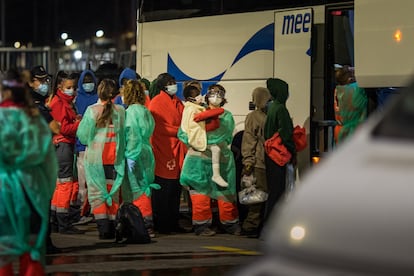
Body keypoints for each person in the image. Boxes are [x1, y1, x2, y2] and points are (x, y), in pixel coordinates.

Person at [0, 69, 58, 275]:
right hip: (32, 190)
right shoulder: (34, 119)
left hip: (4, 193)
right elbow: (50, 162)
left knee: (4, 253)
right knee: (32, 250)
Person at [179, 84, 240, 236]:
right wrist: (197, 142)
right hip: (199, 161)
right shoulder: (197, 112)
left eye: (219, 94)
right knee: (200, 193)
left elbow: (226, 135)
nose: (216, 97)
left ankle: (230, 223)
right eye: (213, 93)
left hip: (221, 160)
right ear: (207, 96)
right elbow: (184, 132)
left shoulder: (226, 116)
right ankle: (201, 225)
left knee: (225, 193)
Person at [76, 79, 126, 240]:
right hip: (115, 159)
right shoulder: (120, 111)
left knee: (97, 193)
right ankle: (113, 226)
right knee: (113, 192)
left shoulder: (92, 110)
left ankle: (103, 228)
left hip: (95, 160)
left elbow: (83, 136)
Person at [148, 72, 187, 234]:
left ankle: (173, 222)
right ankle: (162, 224)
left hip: (176, 149)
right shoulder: (156, 103)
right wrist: (181, 131)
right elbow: (158, 127)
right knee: (163, 189)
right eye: (170, 82)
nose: (173, 85)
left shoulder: (178, 102)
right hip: (163, 149)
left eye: (173, 81)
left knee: (175, 189)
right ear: (163, 85)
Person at [48, 72, 84, 235]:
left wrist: (74, 120)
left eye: (74, 87)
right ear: (60, 87)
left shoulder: (63, 102)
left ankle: (56, 219)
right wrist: (78, 124)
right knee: (65, 184)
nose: (72, 90)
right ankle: (63, 222)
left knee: (60, 184)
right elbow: (62, 128)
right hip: (63, 145)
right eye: (69, 87)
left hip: (62, 145)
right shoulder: (59, 103)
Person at [123, 79, 159, 238]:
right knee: (145, 187)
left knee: (137, 190)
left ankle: (143, 225)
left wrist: (131, 155)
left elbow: (132, 135)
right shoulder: (145, 111)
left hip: (135, 152)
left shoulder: (131, 112)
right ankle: (146, 224)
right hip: (147, 152)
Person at [180, 84, 228, 187]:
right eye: (197, 94)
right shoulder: (192, 109)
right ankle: (216, 175)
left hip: (211, 159)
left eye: (219, 94)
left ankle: (216, 175)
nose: (200, 96)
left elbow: (225, 135)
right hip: (196, 152)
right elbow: (193, 122)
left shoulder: (200, 108)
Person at [263, 78, 295, 223]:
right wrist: (292, 150)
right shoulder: (280, 108)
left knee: (273, 190)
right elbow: (286, 133)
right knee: (278, 191)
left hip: (270, 154)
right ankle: (270, 225)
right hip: (278, 155)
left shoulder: (271, 107)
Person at [240, 87, 271, 238]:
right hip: (262, 161)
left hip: (263, 161)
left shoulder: (258, 115)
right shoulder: (259, 116)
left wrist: (248, 160)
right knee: (257, 196)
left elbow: (249, 140)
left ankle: (252, 226)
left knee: (258, 196)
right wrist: (249, 161)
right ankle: (251, 226)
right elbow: (250, 140)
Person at [73, 69, 99, 225]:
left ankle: (94, 210)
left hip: (96, 146)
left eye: (90, 81)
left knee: (94, 181)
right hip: (82, 147)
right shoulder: (76, 100)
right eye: (85, 81)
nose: (88, 84)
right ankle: (82, 211)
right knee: (82, 183)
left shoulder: (98, 98)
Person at [334, 65, 368, 144]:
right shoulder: (355, 89)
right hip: (354, 132)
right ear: (350, 78)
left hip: (340, 131)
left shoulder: (338, 89)